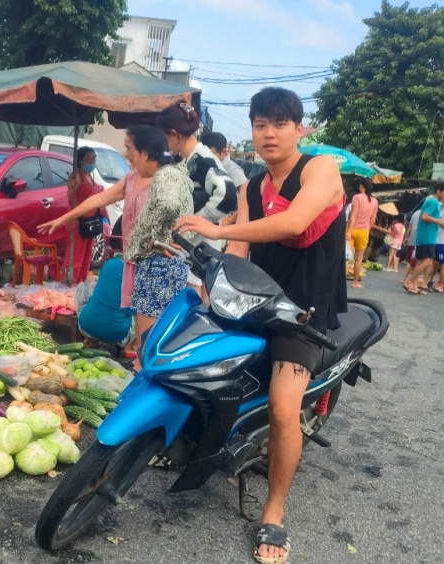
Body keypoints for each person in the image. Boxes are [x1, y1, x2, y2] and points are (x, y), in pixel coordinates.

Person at [175, 87, 346, 564]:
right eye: (260, 124)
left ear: (299, 128)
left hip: (302, 310)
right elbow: (241, 253)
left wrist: (218, 228)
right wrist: (213, 287)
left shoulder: (321, 169)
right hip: (255, 301)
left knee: (283, 406)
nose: (269, 134)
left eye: (279, 123)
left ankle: (273, 508)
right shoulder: (252, 186)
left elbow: (293, 224)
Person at [40, 126, 193, 363]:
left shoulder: (166, 179)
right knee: (139, 316)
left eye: (129, 148)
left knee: (153, 324)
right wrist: (64, 218)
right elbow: (98, 199)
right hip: (136, 259)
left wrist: (161, 240)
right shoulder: (132, 179)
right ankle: (138, 356)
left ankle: (141, 360)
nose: (127, 154)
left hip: (156, 262)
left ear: (143, 152)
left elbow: (174, 210)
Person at [156, 102, 238, 253]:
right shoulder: (189, 159)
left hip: (202, 250)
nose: (164, 145)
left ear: (174, 134)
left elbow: (228, 195)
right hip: (193, 248)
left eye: (163, 137)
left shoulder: (201, 159)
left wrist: (192, 224)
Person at [64, 147, 103, 284]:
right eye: (88, 158)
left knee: (86, 255)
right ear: (80, 160)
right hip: (77, 222)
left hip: (90, 222)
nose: (92, 161)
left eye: (93, 158)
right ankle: (71, 283)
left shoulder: (90, 176)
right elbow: (71, 195)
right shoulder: (77, 175)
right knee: (76, 255)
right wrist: (70, 187)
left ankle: (80, 282)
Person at [76, 257, 134, 349]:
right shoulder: (141, 274)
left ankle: (90, 337)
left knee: (83, 286)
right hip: (119, 337)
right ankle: (132, 347)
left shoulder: (110, 264)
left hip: (86, 328)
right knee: (141, 310)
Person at [405, 183, 444, 295]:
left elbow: (427, 217)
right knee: (428, 262)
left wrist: (440, 221)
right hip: (428, 237)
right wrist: (439, 221)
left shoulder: (432, 202)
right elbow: (425, 216)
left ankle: (414, 286)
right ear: (439, 191)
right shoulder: (433, 202)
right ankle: (410, 281)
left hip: (424, 236)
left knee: (420, 261)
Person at [347, 179, 378, 288]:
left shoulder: (357, 197)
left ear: (361, 186)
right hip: (364, 231)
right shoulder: (375, 201)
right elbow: (373, 220)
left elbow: (353, 215)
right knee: (358, 258)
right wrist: (367, 230)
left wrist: (349, 231)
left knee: (344, 255)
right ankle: (355, 282)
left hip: (352, 229)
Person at [401, 207, 423, 286]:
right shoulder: (426, 214)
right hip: (419, 240)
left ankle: (411, 278)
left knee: (412, 261)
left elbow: (410, 227)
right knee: (412, 261)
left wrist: (407, 237)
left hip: (412, 238)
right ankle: (404, 278)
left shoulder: (415, 213)